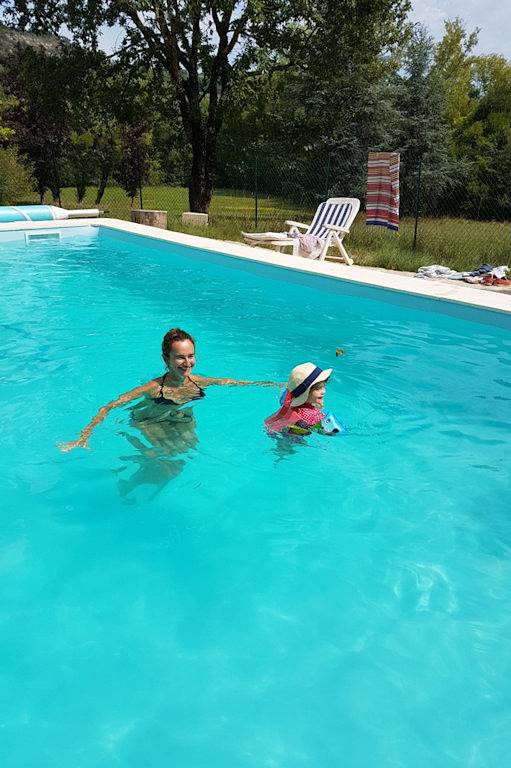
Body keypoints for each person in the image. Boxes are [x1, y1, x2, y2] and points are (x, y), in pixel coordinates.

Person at [60, 327, 282, 452]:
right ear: (166, 359)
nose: (187, 363)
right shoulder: (153, 388)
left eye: (191, 356)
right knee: (167, 456)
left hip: (179, 417)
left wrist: (274, 385)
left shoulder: (198, 381)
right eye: (180, 357)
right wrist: (84, 435)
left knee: (190, 447)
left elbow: (232, 382)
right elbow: (108, 407)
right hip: (149, 420)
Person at [265, 362, 346, 436]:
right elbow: (328, 430)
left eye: (323, 386)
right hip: (294, 435)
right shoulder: (314, 416)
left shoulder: (288, 401)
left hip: (274, 428)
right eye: (318, 389)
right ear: (305, 394)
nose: (323, 391)